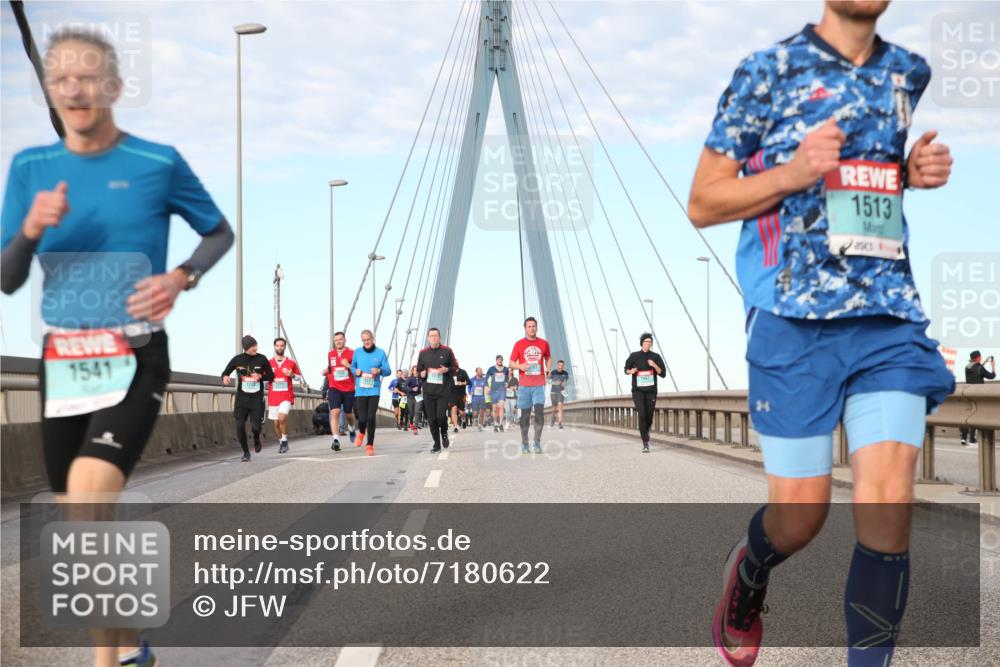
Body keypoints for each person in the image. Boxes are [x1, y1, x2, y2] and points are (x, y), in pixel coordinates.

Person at [688, 3, 955, 665]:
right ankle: (750, 574)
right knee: (801, 516)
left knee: (890, 501)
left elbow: (865, 179)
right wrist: (794, 172)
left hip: (886, 316)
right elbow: (704, 201)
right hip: (791, 319)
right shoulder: (765, 73)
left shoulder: (906, 73)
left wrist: (907, 175)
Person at [0, 28, 232, 667]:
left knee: (88, 486)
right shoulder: (31, 170)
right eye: (61, 78)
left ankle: (110, 660)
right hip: (62, 362)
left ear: (114, 87)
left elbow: (218, 232)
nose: (74, 88)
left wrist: (181, 277)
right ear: (50, 89)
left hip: (134, 356)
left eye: (88, 76)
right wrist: (28, 228)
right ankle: (127, 648)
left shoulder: (158, 163)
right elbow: (7, 276)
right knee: (80, 518)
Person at [222, 336, 275, 462]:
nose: (255, 348)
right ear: (246, 348)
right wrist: (225, 377)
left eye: (256, 345)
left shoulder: (261, 358)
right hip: (242, 398)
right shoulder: (237, 359)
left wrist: (260, 376)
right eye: (252, 346)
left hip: (256, 398)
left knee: (255, 427)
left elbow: (271, 375)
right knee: (239, 425)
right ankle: (246, 452)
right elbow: (225, 372)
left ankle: (256, 437)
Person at [510, 316, 552, 453]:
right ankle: (524, 443)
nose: (532, 328)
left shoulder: (544, 343)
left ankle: (537, 443)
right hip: (524, 385)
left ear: (537, 327)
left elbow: (548, 357)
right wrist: (520, 366)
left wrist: (548, 368)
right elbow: (511, 363)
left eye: (534, 326)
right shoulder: (518, 344)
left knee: (539, 413)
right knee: (525, 416)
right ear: (525, 328)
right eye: (529, 326)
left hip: (539, 384)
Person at [416, 327, 459, 453]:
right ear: (428, 338)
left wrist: (447, 370)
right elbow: (418, 371)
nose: (434, 337)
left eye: (436, 335)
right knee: (432, 420)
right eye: (431, 335)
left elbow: (455, 367)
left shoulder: (447, 351)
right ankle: (436, 444)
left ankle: (444, 433)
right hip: (428, 392)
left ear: (439, 337)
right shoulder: (423, 353)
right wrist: (421, 374)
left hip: (443, 391)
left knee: (441, 417)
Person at [624, 334, 666, 453]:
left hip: (651, 391)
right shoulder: (634, 356)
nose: (649, 343)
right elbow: (626, 370)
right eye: (647, 341)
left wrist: (654, 365)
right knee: (642, 415)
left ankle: (645, 431)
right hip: (638, 391)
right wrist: (631, 371)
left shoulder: (656, 357)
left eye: (651, 342)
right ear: (642, 343)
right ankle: (645, 442)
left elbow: (663, 374)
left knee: (649, 416)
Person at [350, 329, 391, 456]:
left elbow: (388, 370)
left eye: (368, 339)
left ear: (372, 339)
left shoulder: (380, 353)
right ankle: (362, 432)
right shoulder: (357, 352)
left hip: (374, 390)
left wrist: (379, 371)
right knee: (362, 419)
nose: (366, 342)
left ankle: (370, 445)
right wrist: (355, 371)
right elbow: (352, 367)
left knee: (370, 417)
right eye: (364, 340)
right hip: (361, 391)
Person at [267, 337, 301, 454]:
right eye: (277, 346)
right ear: (274, 347)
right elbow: (264, 379)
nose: (280, 348)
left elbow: (299, 378)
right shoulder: (269, 363)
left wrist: (292, 375)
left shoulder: (291, 362)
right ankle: (281, 441)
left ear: (285, 347)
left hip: (286, 396)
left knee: (282, 418)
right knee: (276, 424)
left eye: (282, 346)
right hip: (273, 397)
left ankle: (285, 441)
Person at [325, 331, 357, 451]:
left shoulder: (352, 353)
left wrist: (348, 365)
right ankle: (336, 440)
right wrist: (326, 371)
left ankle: (352, 428)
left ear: (345, 340)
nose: (338, 341)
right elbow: (330, 368)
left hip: (348, 388)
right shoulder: (330, 354)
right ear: (334, 341)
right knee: (335, 412)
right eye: (336, 340)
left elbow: (357, 371)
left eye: (340, 339)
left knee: (348, 413)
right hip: (334, 387)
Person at [961, 351, 996, 445]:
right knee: (975, 416)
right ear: (977, 358)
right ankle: (972, 439)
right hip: (977, 394)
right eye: (980, 357)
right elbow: (991, 376)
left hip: (968, 393)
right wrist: (993, 366)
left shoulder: (967, 367)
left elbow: (976, 369)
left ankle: (964, 438)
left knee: (967, 416)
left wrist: (983, 363)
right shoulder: (980, 367)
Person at [485, 355, 509, 432]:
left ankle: (501, 424)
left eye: (501, 359)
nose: (500, 361)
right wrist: (487, 387)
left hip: (502, 390)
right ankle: (495, 423)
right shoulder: (491, 369)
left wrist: (507, 383)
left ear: (502, 360)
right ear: (496, 360)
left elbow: (507, 378)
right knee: (494, 409)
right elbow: (486, 378)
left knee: (501, 406)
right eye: (498, 359)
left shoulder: (506, 369)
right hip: (493, 390)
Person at [548, 360, 570, 429]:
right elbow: (548, 381)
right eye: (559, 365)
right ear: (557, 365)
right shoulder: (553, 372)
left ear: (563, 366)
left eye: (562, 366)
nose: (560, 367)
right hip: (553, 393)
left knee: (560, 407)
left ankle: (560, 423)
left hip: (561, 393)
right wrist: (555, 382)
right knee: (554, 408)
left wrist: (564, 383)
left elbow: (566, 382)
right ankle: (553, 419)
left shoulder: (565, 373)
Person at [451, 366, 470, 432]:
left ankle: (463, 419)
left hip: (461, 394)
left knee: (462, 412)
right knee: (454, 409)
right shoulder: (450, 372)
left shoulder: (463, 372)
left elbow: (469, 382)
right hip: (452, 394)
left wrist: (461, 383)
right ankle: (456, 426)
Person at [405, 365, 423, 432]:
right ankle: (411, 422)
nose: (416, 372)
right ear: (412, 371)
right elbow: (405, 387)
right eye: (415, 370)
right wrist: (412, 389)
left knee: (417, 411)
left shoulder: (421, 378)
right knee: (411, 412)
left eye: (417, 370)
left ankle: (415, 427)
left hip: (419, 396)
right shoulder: (410, 378)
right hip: (410, 397)